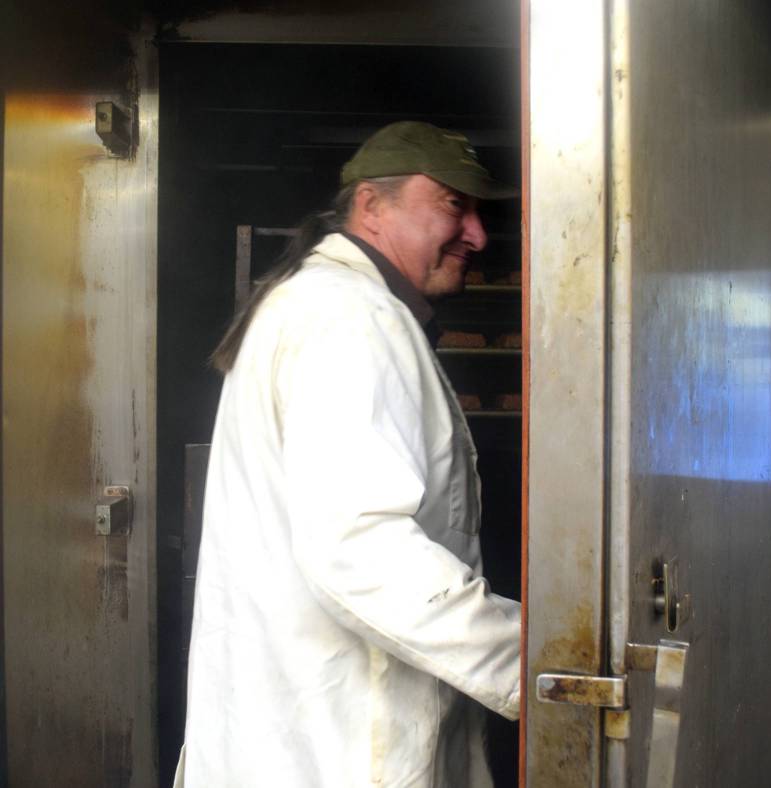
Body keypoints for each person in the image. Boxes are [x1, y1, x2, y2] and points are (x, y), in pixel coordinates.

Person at [175, 121, 521, 787]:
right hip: (343, 749)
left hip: (304, 736)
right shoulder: (348, 316)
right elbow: (360, 550)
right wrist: (531, 662)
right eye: (454, 204)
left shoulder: (325, 302)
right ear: (371, 205)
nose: (477, 235)